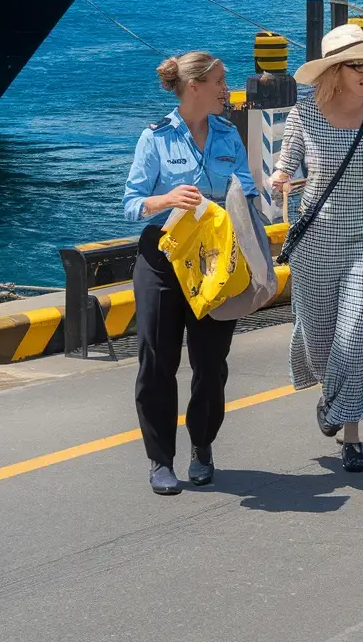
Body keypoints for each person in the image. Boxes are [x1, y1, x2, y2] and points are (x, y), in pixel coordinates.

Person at [123, 50, 260, 496]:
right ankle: (160, 459)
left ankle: (202, 446)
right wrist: (165, 200)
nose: (226, 88)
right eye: (220, 81)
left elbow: (247, 192)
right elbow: (129, 204)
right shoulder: (155, 138)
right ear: (195, 86)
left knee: (210, 363)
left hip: (215, 262)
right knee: (157, 362)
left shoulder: (227, 133)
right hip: (163, 259)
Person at [271, 24, 363, 474]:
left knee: (356, 331)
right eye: (357, 64)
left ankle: (350, 433)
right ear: (335, 71)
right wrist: (279, 179)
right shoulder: (304, 115)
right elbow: (285, 163)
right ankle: (334, 397)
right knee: (322, 338)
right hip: (315, 240)